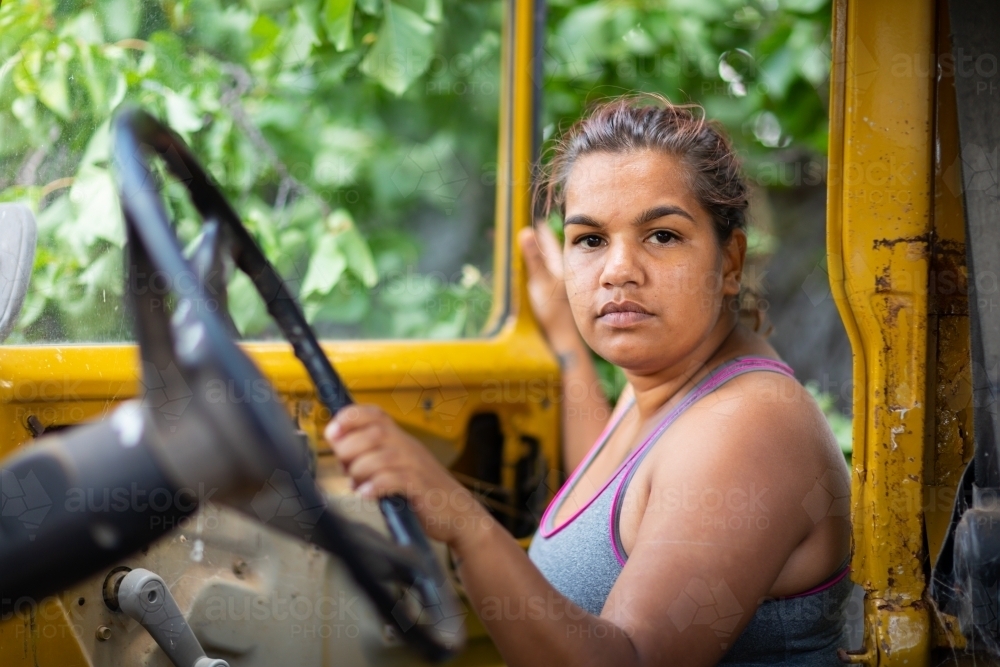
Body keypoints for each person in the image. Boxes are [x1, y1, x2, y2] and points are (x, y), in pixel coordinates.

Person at [324, 94, 852, 666]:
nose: (618, 270)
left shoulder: (748, 423)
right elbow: (620, 499)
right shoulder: (662, 379)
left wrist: (465, 524)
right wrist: (564, 338)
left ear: (729, 263)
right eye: (590, 240)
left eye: (662, 236)